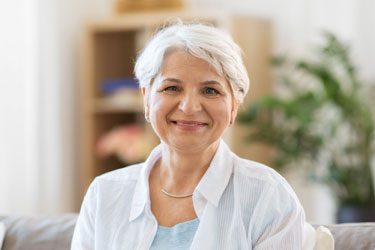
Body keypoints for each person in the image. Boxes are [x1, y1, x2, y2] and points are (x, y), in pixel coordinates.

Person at [72, 20, 316, 249]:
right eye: (172, 88)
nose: (189, 107)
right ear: (146, 99)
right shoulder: (103, 194)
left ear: (234, 106)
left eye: (210, 90)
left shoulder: (267, 195)